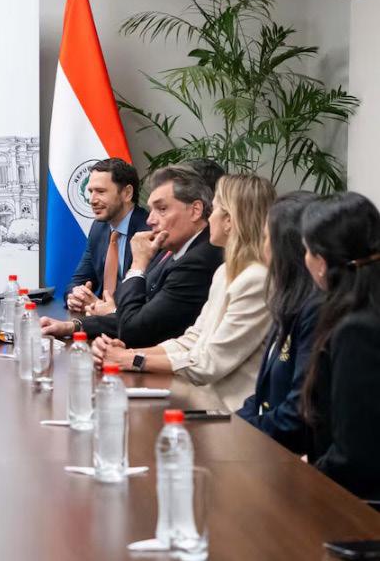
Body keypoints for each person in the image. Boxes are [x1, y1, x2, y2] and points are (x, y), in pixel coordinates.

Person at [91, 175, 275, 411]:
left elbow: (209, 363)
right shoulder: (225, 271)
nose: (210, 216)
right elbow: (193, 340)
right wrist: (126, 354)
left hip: (231, 414)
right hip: (200, 400)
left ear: (229, 220)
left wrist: (131, 359)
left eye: (215, 209)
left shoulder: (256, 279)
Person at [41, 165, 223, 347]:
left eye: (162, 209)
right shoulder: (173, 249)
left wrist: (137, 265)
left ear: (195, 210)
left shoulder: (198, 260)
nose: (150, 220)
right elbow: (138, 313)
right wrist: (74, 326)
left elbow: (135, 327)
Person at [301, 192, 380, 500]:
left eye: (306, 251)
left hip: (356, 506)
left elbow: (355, 453)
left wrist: (302, 477)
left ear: (321, 263)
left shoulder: (356, 330)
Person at [235, 192, 320, 453]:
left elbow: (297, 413)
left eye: (265, 238)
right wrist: (231, 422)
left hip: (293, 457)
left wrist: (238, 431)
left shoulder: (315, 309)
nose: (262, 248)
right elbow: (263, 395)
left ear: (285, 246)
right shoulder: (288, 300)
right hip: (270, 445)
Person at [65, 158, 149, 316]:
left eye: (100, 191)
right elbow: (77, 281)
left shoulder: (149, 231)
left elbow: (148, 299)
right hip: (98, 322)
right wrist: (75, 296)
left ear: (127, 193)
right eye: (90, 191)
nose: (92, 200)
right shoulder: (99, 228)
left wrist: (104, 308)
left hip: (133, 323)